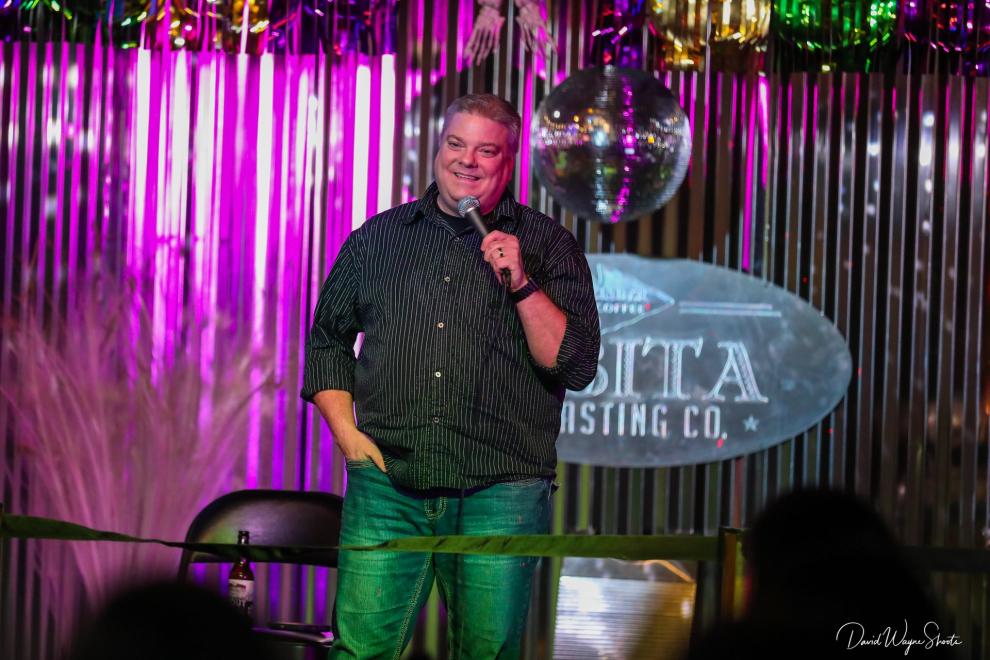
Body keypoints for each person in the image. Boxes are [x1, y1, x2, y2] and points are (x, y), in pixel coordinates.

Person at [302, 93, 600, 659]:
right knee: (360, 652)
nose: (467, 160)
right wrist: (348, 436)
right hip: (387, 482)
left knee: (486, 655)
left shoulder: (546, 245)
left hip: (501, 489)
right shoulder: (378, 238)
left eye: (486, 150)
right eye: (456, 144)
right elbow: (327, 340)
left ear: (509, 161)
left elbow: (574, 364)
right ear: (439, 148)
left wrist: (521, 283)